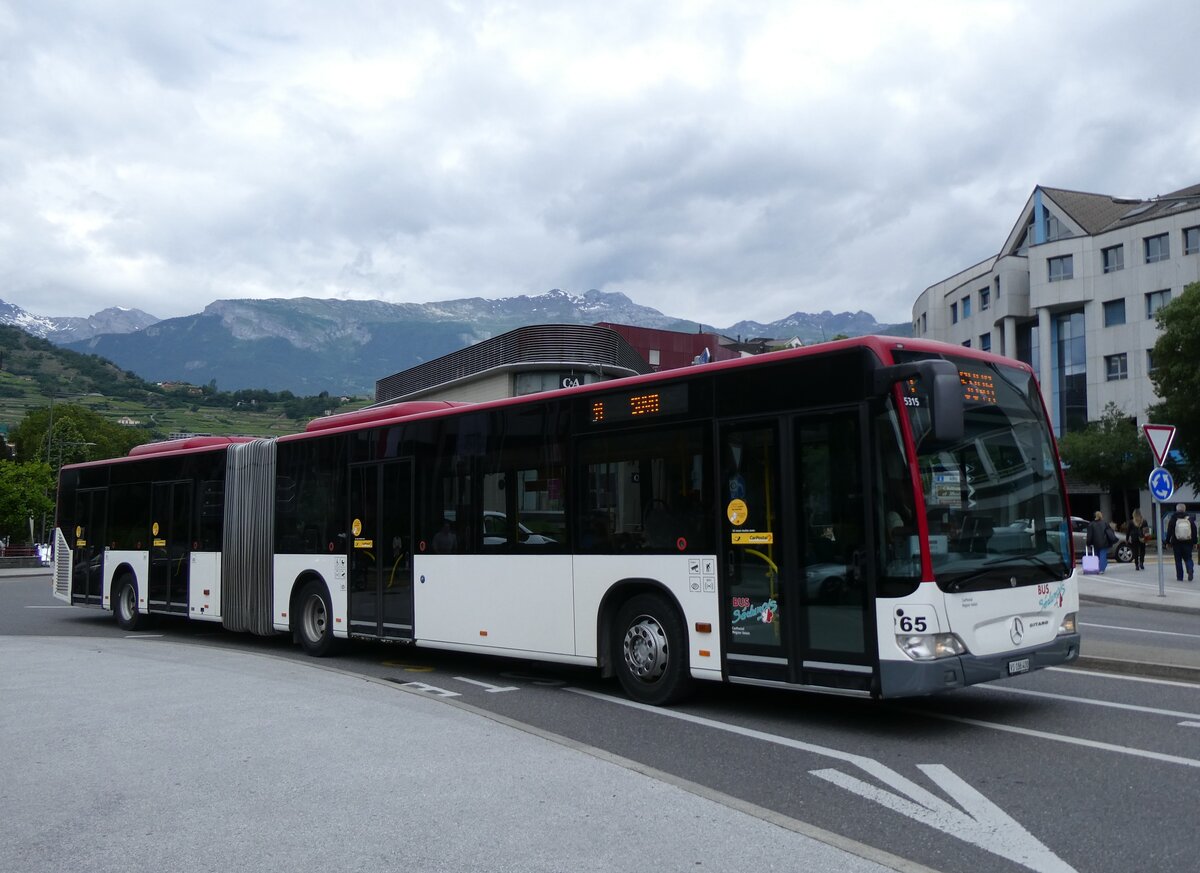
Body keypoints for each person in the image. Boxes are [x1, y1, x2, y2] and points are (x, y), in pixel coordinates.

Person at [1164, 502, 1196, 582]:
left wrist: (1167, 542)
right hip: (1188, 542)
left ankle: (1180, 577)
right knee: (1188, 558)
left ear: (1176, 509)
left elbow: (1169, 532)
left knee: (1178, 560)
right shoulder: (1189, 519)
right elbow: (1194, 531)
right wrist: (1195, 542)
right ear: (1184, 509)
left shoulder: (1173, 519)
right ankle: (1190, 569)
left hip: (1176, 543)